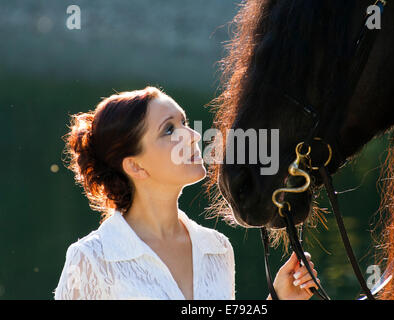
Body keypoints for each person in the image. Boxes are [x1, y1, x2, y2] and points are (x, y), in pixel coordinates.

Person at [54, 86, 320, 300]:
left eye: (184, 122)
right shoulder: (91, 259)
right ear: (135, 165)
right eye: (169, 129)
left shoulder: (216, 248)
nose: (192, 135)